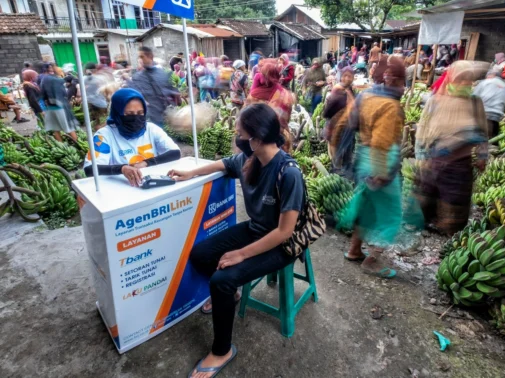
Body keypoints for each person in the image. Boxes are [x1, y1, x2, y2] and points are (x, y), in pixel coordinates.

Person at [168, 104, 305, 378]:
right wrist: (189, 173)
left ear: (255, 138)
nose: (236, 136)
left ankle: (222, 350)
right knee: (200, 255)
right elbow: (221, 164)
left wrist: (241, 254)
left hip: (281, 244)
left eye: (239, 132)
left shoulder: (288, 173)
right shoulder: (249, 159)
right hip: (256, 230)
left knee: (221, 280)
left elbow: (284, 232)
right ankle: (230, 295)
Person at [338, 56, 411, 278]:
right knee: (390, 214)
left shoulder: (367, 95)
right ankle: (373, 260)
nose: (404, 87)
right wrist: (382, 174)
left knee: (366, 207)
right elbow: (382, 142)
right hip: (380, 160)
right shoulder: (390, 106)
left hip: (364, 156)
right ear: (396, 81)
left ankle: (354, 250)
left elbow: (351, 121)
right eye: (403, 81)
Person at [416, 61, 488, 235]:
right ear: (450, 79)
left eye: (468, 80)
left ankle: (451, 232)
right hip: (434, 158)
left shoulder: (475, 102)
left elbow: (483, 130)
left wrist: (482, 155)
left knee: (455, 199)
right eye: (460, 79)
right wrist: (420, 153)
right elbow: (423, 126)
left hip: (460, 162)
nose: (464, 83)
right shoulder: (435, 100)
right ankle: (424, 224)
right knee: (427, 195)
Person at [83, 88, 181, 185]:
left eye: (140, 113)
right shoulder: (104, 135)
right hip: (121, 189)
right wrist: (122, 168)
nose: (135, 118)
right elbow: (90, 169)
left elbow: (175, 152)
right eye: (129, 114)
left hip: (151, 185)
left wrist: (146, 163)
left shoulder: (151, 129)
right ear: (117, 113)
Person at [127, 47, 179, 127]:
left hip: (160, 117)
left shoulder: (162, 74)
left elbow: (169, 90)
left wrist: (175, 94)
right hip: (145, 119)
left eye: (142, 57)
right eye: (139, 57)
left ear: (150, 56)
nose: (140, 60)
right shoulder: (137, 77)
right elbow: (133, 94)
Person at [323, 66, 354, 167]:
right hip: (335, 124)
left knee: (345, 149)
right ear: (341, 77)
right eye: (345, 76)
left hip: (346, 125)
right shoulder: (338, 89)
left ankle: (342, 168)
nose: (347, 78)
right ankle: (337, 168)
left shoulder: (349, 89)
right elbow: (329, 109)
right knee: (336, 149)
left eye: (350, 76)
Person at [39, 63, 77, 141]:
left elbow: (42, 94)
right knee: (69, 128)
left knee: (56, 129)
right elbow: (64, 93)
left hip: (50, 108)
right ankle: (77, 146)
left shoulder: (43, 79)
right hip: (60, 107)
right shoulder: (56, 80)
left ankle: (62, 146)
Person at [473, 70, 505, 137]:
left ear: (491, 75)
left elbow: (474, 97)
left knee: (477, 139)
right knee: (491, 141)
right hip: (496, 118)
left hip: (482, 115)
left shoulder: (484, 83)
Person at [83, 62, 109, 131]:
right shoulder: (101, 78)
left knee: (95, 123)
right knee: (104, 123)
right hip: (101, 104)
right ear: (95, 69)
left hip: (90, 103)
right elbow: (106, 91)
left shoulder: (84, 79)